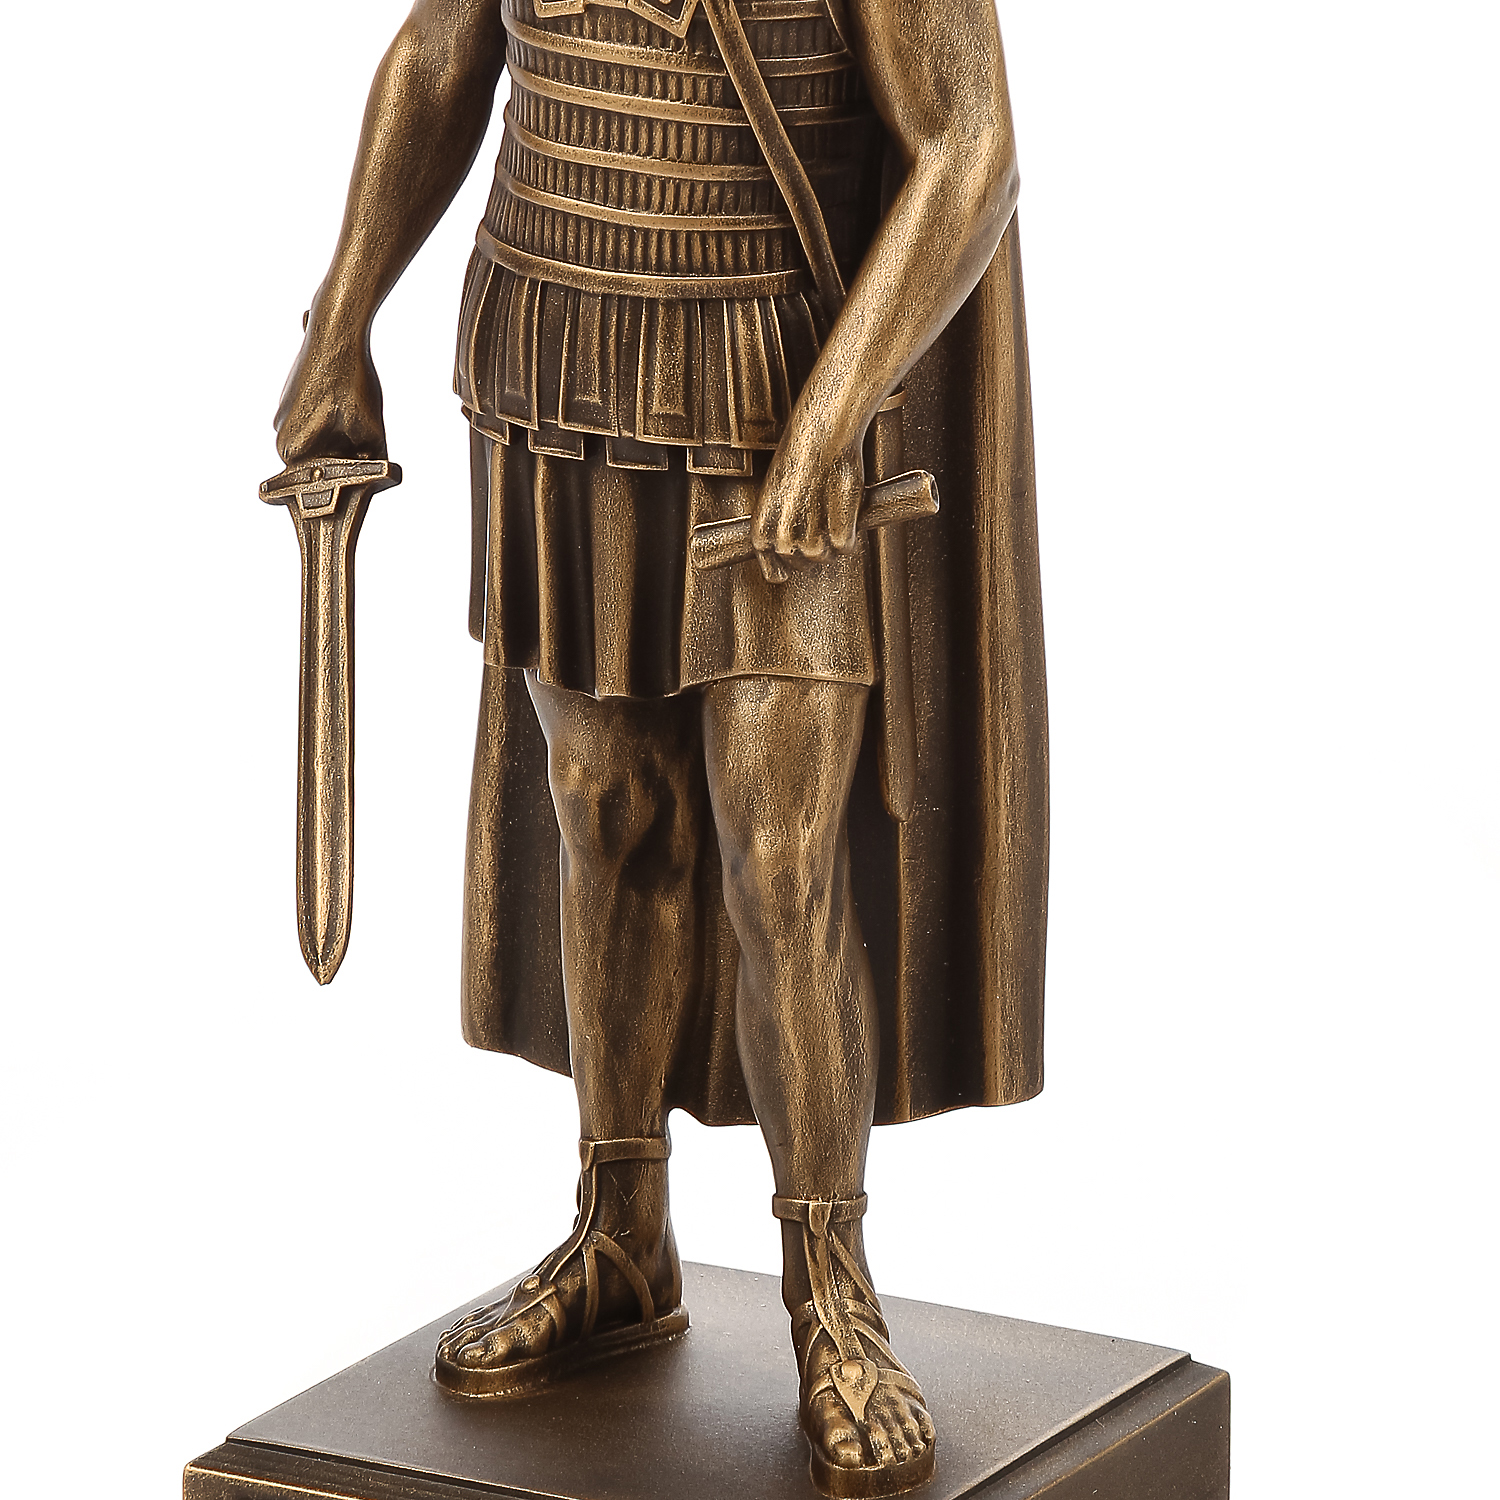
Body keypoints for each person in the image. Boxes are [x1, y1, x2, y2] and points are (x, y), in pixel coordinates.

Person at [273, 0, 1048, 1492]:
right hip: (556, 339)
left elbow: (968, 145)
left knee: (782, 858)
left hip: (776, 375)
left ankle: (830, 1287)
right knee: (604, 806)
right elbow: (446, 48)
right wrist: (340, 316)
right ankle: (622, 1235)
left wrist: (835, 412)